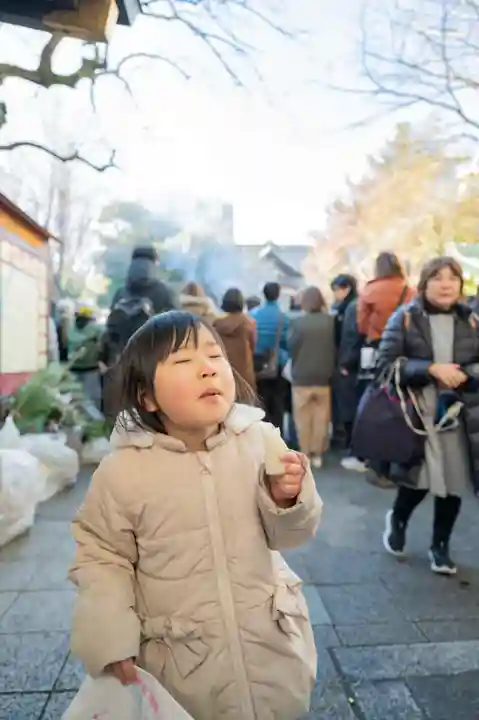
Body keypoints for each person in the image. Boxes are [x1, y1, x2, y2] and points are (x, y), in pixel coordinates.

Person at [69, 310, 322, 720]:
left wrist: (287, 498)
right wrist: (110, 635)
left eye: (214, 356)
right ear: (146, 397)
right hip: (183, 665)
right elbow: (102, 557)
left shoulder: (259, 441)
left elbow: (291, 535)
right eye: (184, 362)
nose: (207, 370)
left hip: (271, 648)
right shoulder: (123, 471)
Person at [378, 257, 479, 575]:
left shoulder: (472, 321)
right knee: (419, 479)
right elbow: (386, 366)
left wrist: (465, 374)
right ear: (424, 284)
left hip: (458, 414)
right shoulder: (404, 318)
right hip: (418, 414)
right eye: (437, 277)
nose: (446, 284)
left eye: (453, 278)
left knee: (453, 480)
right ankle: (398, 518)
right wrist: (431, 369)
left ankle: (440, 546)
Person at [288, 287, 335, 469]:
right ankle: (318, 454)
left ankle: (305, 452)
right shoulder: (330, 322)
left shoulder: (298, 322)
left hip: (301, 376)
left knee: (303, 417)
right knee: (321, 417)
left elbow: (291, 346)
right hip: (324, 376)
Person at [106, 246, 179, 359]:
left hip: (126, 356)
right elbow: (178, 327)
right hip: (156, 356)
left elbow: (111, 330)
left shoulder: (120, 293)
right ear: (155, 263)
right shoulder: (166, 292)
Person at [251, 282, 289, 431]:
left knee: (261, 401)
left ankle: (262, 434)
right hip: (278, 363)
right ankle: (278, 435)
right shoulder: (283, 317)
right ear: (278, 295)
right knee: (278, 400)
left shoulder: (254, 315)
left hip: (259, 363)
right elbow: (287, 342)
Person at [330, 274, 358, 452]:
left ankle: (347, 441)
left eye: (336, 290)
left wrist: (345, 363)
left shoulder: (350, 308)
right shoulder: (345, 307)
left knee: (347, 403)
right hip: (346, 360)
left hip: (347, 362)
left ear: (346, 288)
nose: (335, 295)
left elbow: (349, 338)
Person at [214, 288, 256, 388]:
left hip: (223, 372)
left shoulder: (216, 324)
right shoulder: (249, 323)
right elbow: (253, 346)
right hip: (244, 374)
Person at [68, 305, 104, 409]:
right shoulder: (97, 329)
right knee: (92, 399)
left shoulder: (71, 329)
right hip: (90, 369)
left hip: (75, 369)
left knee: (77, 399)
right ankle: (96, 421)